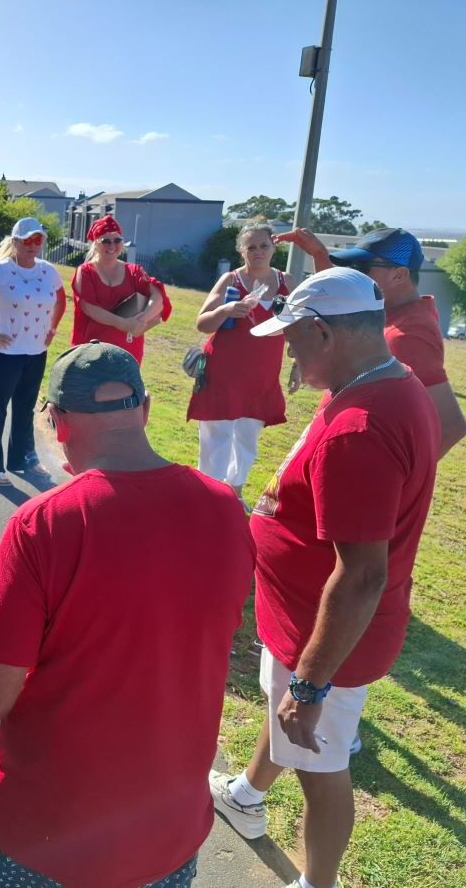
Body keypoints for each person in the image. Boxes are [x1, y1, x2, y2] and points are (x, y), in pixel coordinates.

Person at [0, 341, 254, 888]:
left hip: (40, 840)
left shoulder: (44, 524)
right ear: (145, 409)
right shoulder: (227, 510)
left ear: (58, 422)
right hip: (166, 839)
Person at [209, 268, 439, 888]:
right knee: (284, 717)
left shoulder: (359, 426)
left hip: (328, 633)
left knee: (319, 762)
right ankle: (246, 794)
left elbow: (362, 575)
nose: (288, 349)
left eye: (293, 338)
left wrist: (310, 686)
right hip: (306, 622)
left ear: (322, 332)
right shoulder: (385, 382)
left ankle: (318, 883)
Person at [275, 226, 466, 457]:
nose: (352, 275)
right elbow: (343, 297)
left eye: (361, 268)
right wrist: (319, 255)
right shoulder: (386, 311)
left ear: (399, 275)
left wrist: (392, 477)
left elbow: (451, 426)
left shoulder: (409, 333)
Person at [187, 222, 289, 509]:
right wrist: (226, 310)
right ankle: (209, 493)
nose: (257, 252)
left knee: (247, 436)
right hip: (223, 370)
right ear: (241, 250)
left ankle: (234, 491)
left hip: (262, 374)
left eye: (263, 246)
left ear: (273, 247)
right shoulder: (231, 281)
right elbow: (202, 322)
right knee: (216, 433)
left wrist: (298, 364)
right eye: (251, 247)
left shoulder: (285, 282)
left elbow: (300, 325)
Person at [0, 217, 66, 486]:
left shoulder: (48, 270)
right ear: (15, 241)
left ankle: (23, 459)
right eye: (27, 240)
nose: (33, 245)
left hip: (35, 353)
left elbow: (61, 299)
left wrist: (52, 329)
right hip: (4, 355)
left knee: (25, 409)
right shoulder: (1, 271)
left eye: (38, 239)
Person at [69, 214, 170, 361]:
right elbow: (89, 308)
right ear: (95, 243)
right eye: (106, 241)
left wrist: (141, 320)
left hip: (127, 352)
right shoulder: (85, 271)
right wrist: (123, 323)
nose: (112, 245)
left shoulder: (134, 271)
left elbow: (158, 297)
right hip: (90, 350)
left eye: (117, 240)